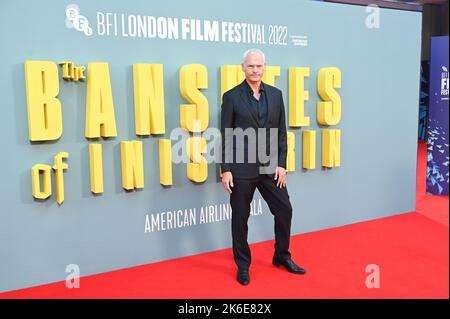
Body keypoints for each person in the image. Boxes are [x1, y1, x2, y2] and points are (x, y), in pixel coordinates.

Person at [220, 48, 306, 286]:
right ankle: (243, 265)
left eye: (259, 66)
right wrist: (225, 169)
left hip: (270, 166)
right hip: (241, 168)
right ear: (243, 68)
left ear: (264, 67)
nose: (255, 70)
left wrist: (281, 164)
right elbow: (225, 134)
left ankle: (281, 256)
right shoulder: (232, 97)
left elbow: (281, 133)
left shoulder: (276, 95)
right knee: (240, 218)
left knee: (284, 209)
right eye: (251, 66)